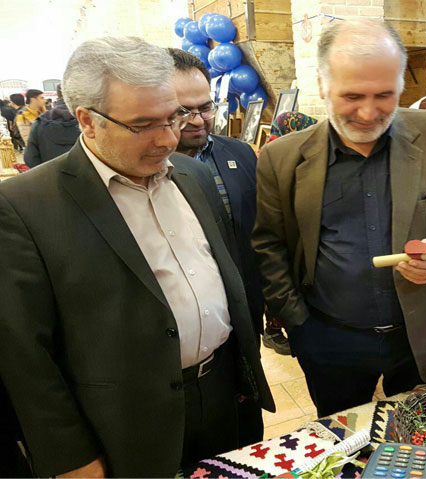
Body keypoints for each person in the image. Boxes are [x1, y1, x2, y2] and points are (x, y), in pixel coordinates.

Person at [0, 37, 273, 477]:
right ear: (87, 120)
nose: (168, 138)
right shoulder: (23, 206)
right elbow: (24, 353)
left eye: (172, 117)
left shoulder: (193, 174)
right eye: (143, 125)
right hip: (123, 422)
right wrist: (70, 455)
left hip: (224, 396)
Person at [252, 19, 426, 417]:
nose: (368, 113)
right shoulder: (282, 158)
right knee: (342, 437)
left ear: (401, 84)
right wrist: (297, 321)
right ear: (322, 85)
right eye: (351, 96)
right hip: (329, 341)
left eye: (384, 95)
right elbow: (269, 243)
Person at [167, 49, 286, 354]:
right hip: (181, 324)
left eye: (205, 107)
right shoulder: (145, 170)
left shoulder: (240, 154)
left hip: (244, 309)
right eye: (183, 110)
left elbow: (261, 231)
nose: (197, 120)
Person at [24, 85, 81, 168]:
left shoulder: (40, 122)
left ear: (58, 96)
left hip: (50, 173)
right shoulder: (91, 119)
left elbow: (30, 158)